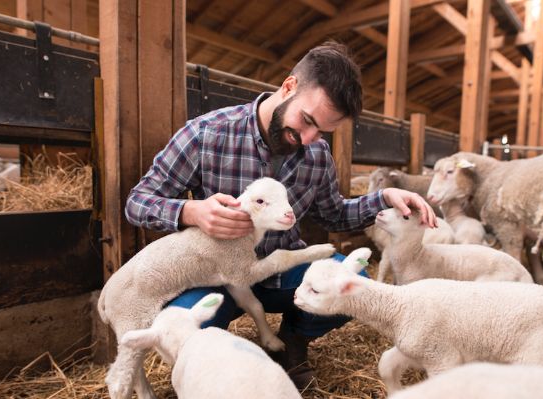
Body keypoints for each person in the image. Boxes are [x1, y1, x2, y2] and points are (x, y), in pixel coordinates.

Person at [125, 41, 437, 388]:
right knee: (183, 325)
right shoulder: (207, 133)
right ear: (289, 86)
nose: (307, 139)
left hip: (280, 272)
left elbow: (334, 215)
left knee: (352, 278)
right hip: (217, 274)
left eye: (322, 131)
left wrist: (383, 197)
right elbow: (138, 202)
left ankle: (292, 342)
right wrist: (191, 211)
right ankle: (211, 373)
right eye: (306, 121)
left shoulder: (316, 154)